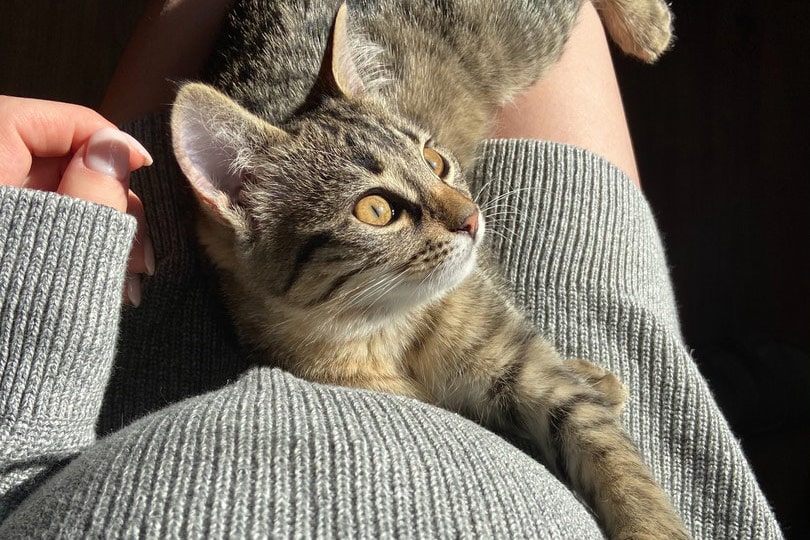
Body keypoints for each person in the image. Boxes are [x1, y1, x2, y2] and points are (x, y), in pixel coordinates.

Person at [0, 1, 783, 538]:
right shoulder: (270, 217)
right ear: (241, 199)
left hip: (144, 381)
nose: (463, 213)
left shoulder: (430, 244)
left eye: (438, 172)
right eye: (382, 209)